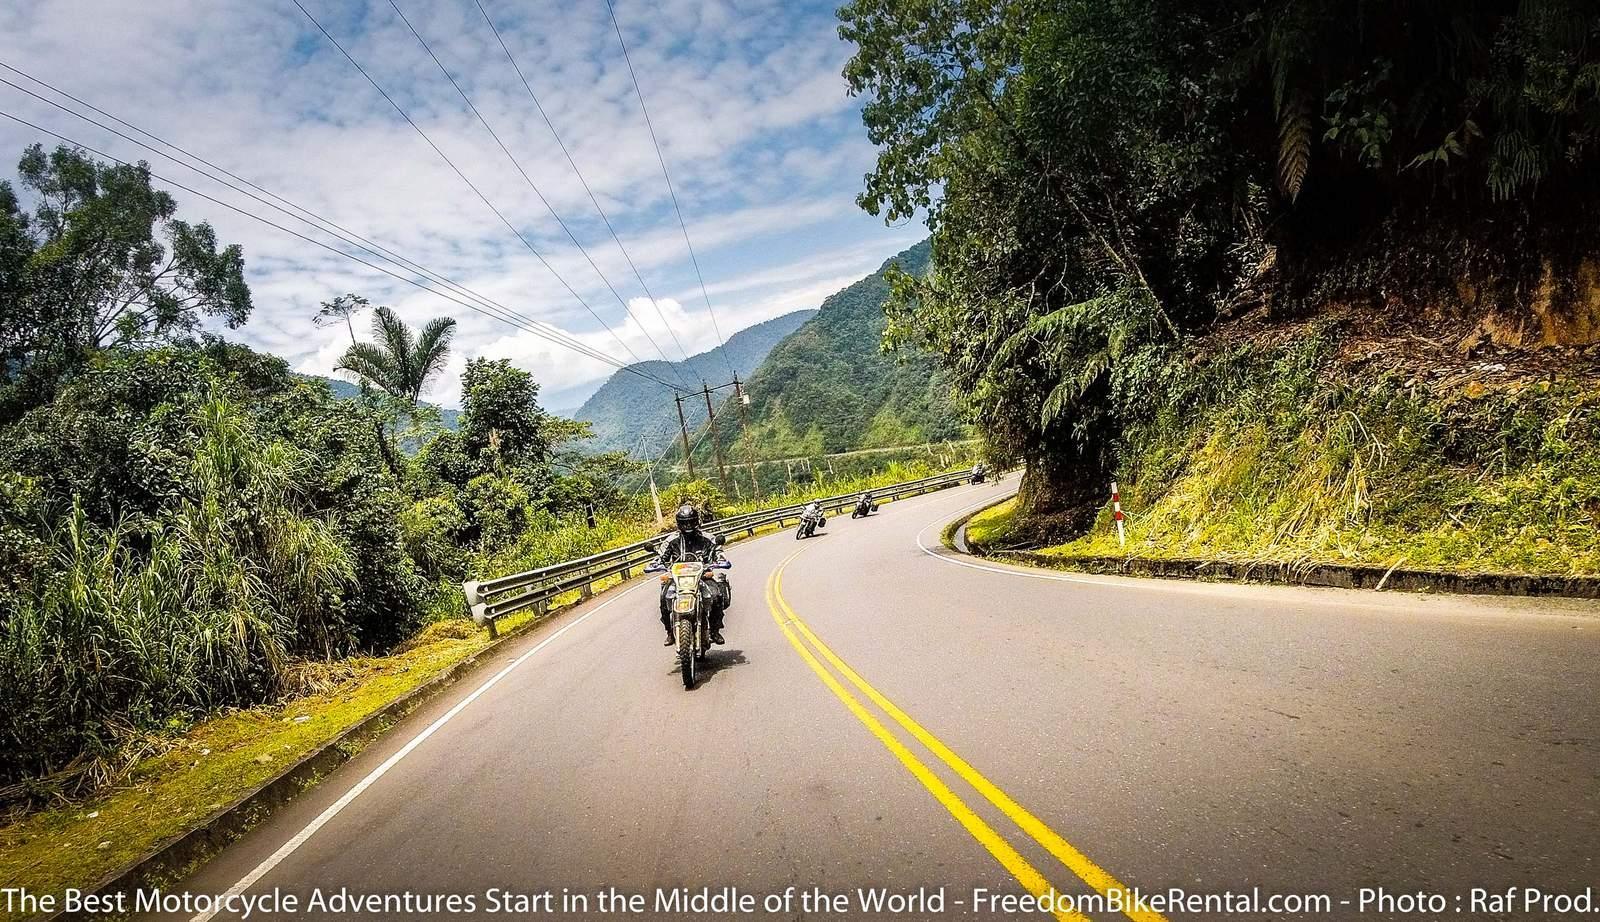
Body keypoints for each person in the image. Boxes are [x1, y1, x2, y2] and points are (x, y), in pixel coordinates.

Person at [653, 503, 727, 646]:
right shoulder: (671, 540)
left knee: (716, 595)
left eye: (690, 522)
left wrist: (720, 561)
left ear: (696, 521)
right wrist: (655, 564)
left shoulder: (707, 538)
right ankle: (669, 632)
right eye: (684, 523)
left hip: (702, 577)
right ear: (679, 523)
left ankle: (715, 630)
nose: (687, 526)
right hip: (678, 580)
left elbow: (718, 551)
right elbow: (661, 556)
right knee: (664, 597)